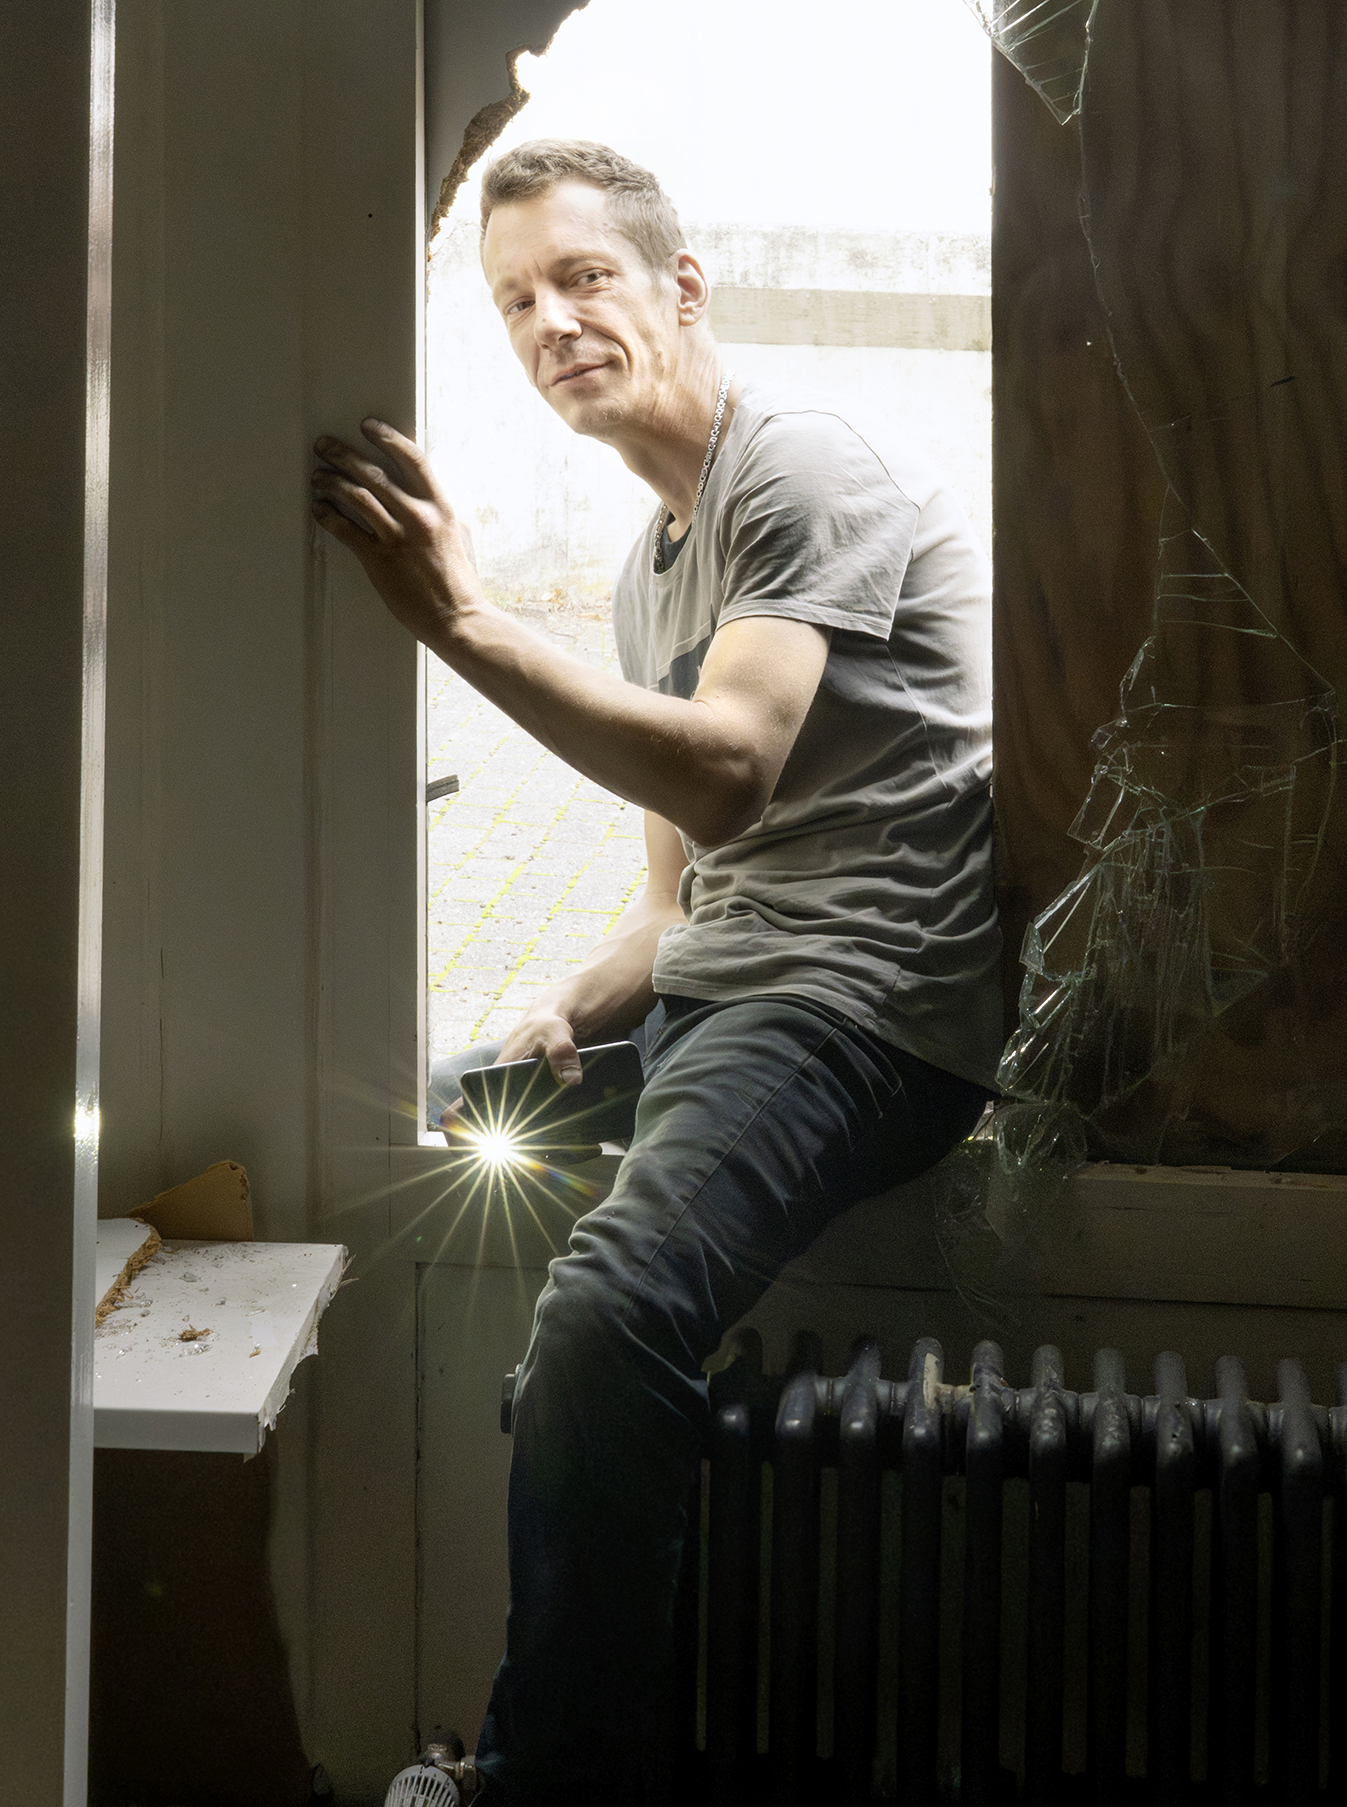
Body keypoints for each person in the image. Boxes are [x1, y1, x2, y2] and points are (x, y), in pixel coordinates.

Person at [311, 140, 998, 1806]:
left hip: (857, 1014)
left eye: (583, 278)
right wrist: (562, 1008)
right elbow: (676, 903)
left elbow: (733, 772)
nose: (551, 324)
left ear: (681, 288)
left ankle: (542, 1780)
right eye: (515, 302)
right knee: (408, 1124)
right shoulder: (653, 570)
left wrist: (467, 625)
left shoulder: (800, 469)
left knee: (610, 1310)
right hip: (733, 994)